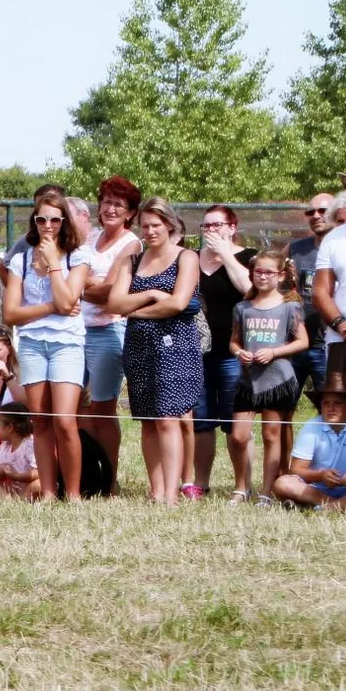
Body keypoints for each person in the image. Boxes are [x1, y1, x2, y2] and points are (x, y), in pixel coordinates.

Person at [108, 197, 203, 505]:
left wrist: (134, 311)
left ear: (170, 225)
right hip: (138, 345)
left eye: (156, 225)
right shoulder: (132, 261)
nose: (150, 231)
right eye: (145, 225)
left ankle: (172, 493)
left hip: (176, 346)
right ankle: (157, 490)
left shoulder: (186, 257)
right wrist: (149, 294)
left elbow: (177, 303)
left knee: (168, 418)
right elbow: (114, 303)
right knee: (148, 420)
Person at [2, 191, 90, 501]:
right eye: (42, 219)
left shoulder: (77, 256)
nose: (48, 225)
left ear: (64, 221)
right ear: (34, 221)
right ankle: (49, 493)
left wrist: (54, 264)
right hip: (32, 343)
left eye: (55, 219)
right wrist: (52, 307)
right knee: (40, 421)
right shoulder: (20, 259)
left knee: (65, 421)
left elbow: (70, 302)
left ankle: (75, 494)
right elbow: (11, 313)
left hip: (67, 343)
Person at [228, 250, 308, 506]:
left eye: (268, 272)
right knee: (239, 435)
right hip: (247, 380)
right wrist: (239, 353)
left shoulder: (290, 306)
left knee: (272, 435)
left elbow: (302, 341)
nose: (262, 277)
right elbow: (234, 341)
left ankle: (266, 491)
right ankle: (242, 487)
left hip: (278, 380)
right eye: (257, 272)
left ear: (280, 275)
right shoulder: (242, 307)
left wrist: (274, 352)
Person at [77, 176, 142, 482]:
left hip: (108, 332)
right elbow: (70, 276)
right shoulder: (90, 238)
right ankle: (87, 475)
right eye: (107, 202)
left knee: (103, 407)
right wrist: (86, 285)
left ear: (130, 212)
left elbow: (110, 293)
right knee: (76, 406)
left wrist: (78, 286)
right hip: (77, 330)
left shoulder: (131, 243)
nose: (111, 208)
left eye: (119, 204)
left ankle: (109, 478)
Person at [190, 204, 257, 498]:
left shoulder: (247, 256)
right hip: (197, 350)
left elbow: (249, 289)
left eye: (217, 225)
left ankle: (242, 486)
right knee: (201, 421)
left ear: (232, 227)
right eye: (206, 226)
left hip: (234, 351)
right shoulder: (190, 258)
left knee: (235, 424)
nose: (210, 231)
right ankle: (201, 484)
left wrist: (226, 254)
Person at [312, 161, 346, 417]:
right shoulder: (334, 238)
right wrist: (345, 327)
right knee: (343, 422)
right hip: (343, 341)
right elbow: (320, 291)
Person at [272, 371, 346, 510]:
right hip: (317, 489)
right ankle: (338, 505)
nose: (330, 408)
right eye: (326, 403)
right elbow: (296, 469)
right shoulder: (312, 426)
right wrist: (321, 475)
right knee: (282, 483)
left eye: (337, 403)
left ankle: (325, 507)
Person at [287, 192, 336, 392]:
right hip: (295, 341)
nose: (316, 215)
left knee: (331, 404)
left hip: (328, 343)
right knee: (283, 408)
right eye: (310, 212)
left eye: (322, 210)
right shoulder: (295, 248)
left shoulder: (345, 247)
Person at [0, 401, 39, 499]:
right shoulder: (4, 446)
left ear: (10, 428)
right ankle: (9, 501)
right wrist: (2, 473)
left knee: (39, 484)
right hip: (11, 489)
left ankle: (24, 500)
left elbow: (39, 473)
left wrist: (17, 476)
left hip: (28, 487)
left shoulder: (30, 444)